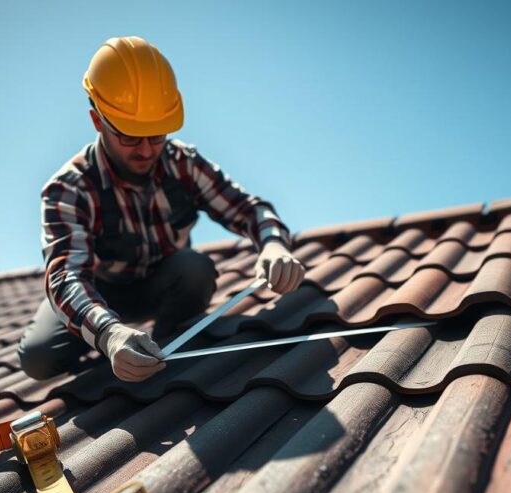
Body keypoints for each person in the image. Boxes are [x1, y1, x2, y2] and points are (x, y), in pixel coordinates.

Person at [17, 36, 305, 383]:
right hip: (99, 292)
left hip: (163, 285)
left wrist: (273, 243)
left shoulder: (183, 163)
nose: (145, 150)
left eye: (156, 136)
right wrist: (109, 333)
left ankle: (162, 348)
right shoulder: (69, 187)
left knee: (194, 268)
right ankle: (117, 351)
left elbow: (248, 209)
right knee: (37, 358)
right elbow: (66, 277)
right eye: (129, 136)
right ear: (97, 120)